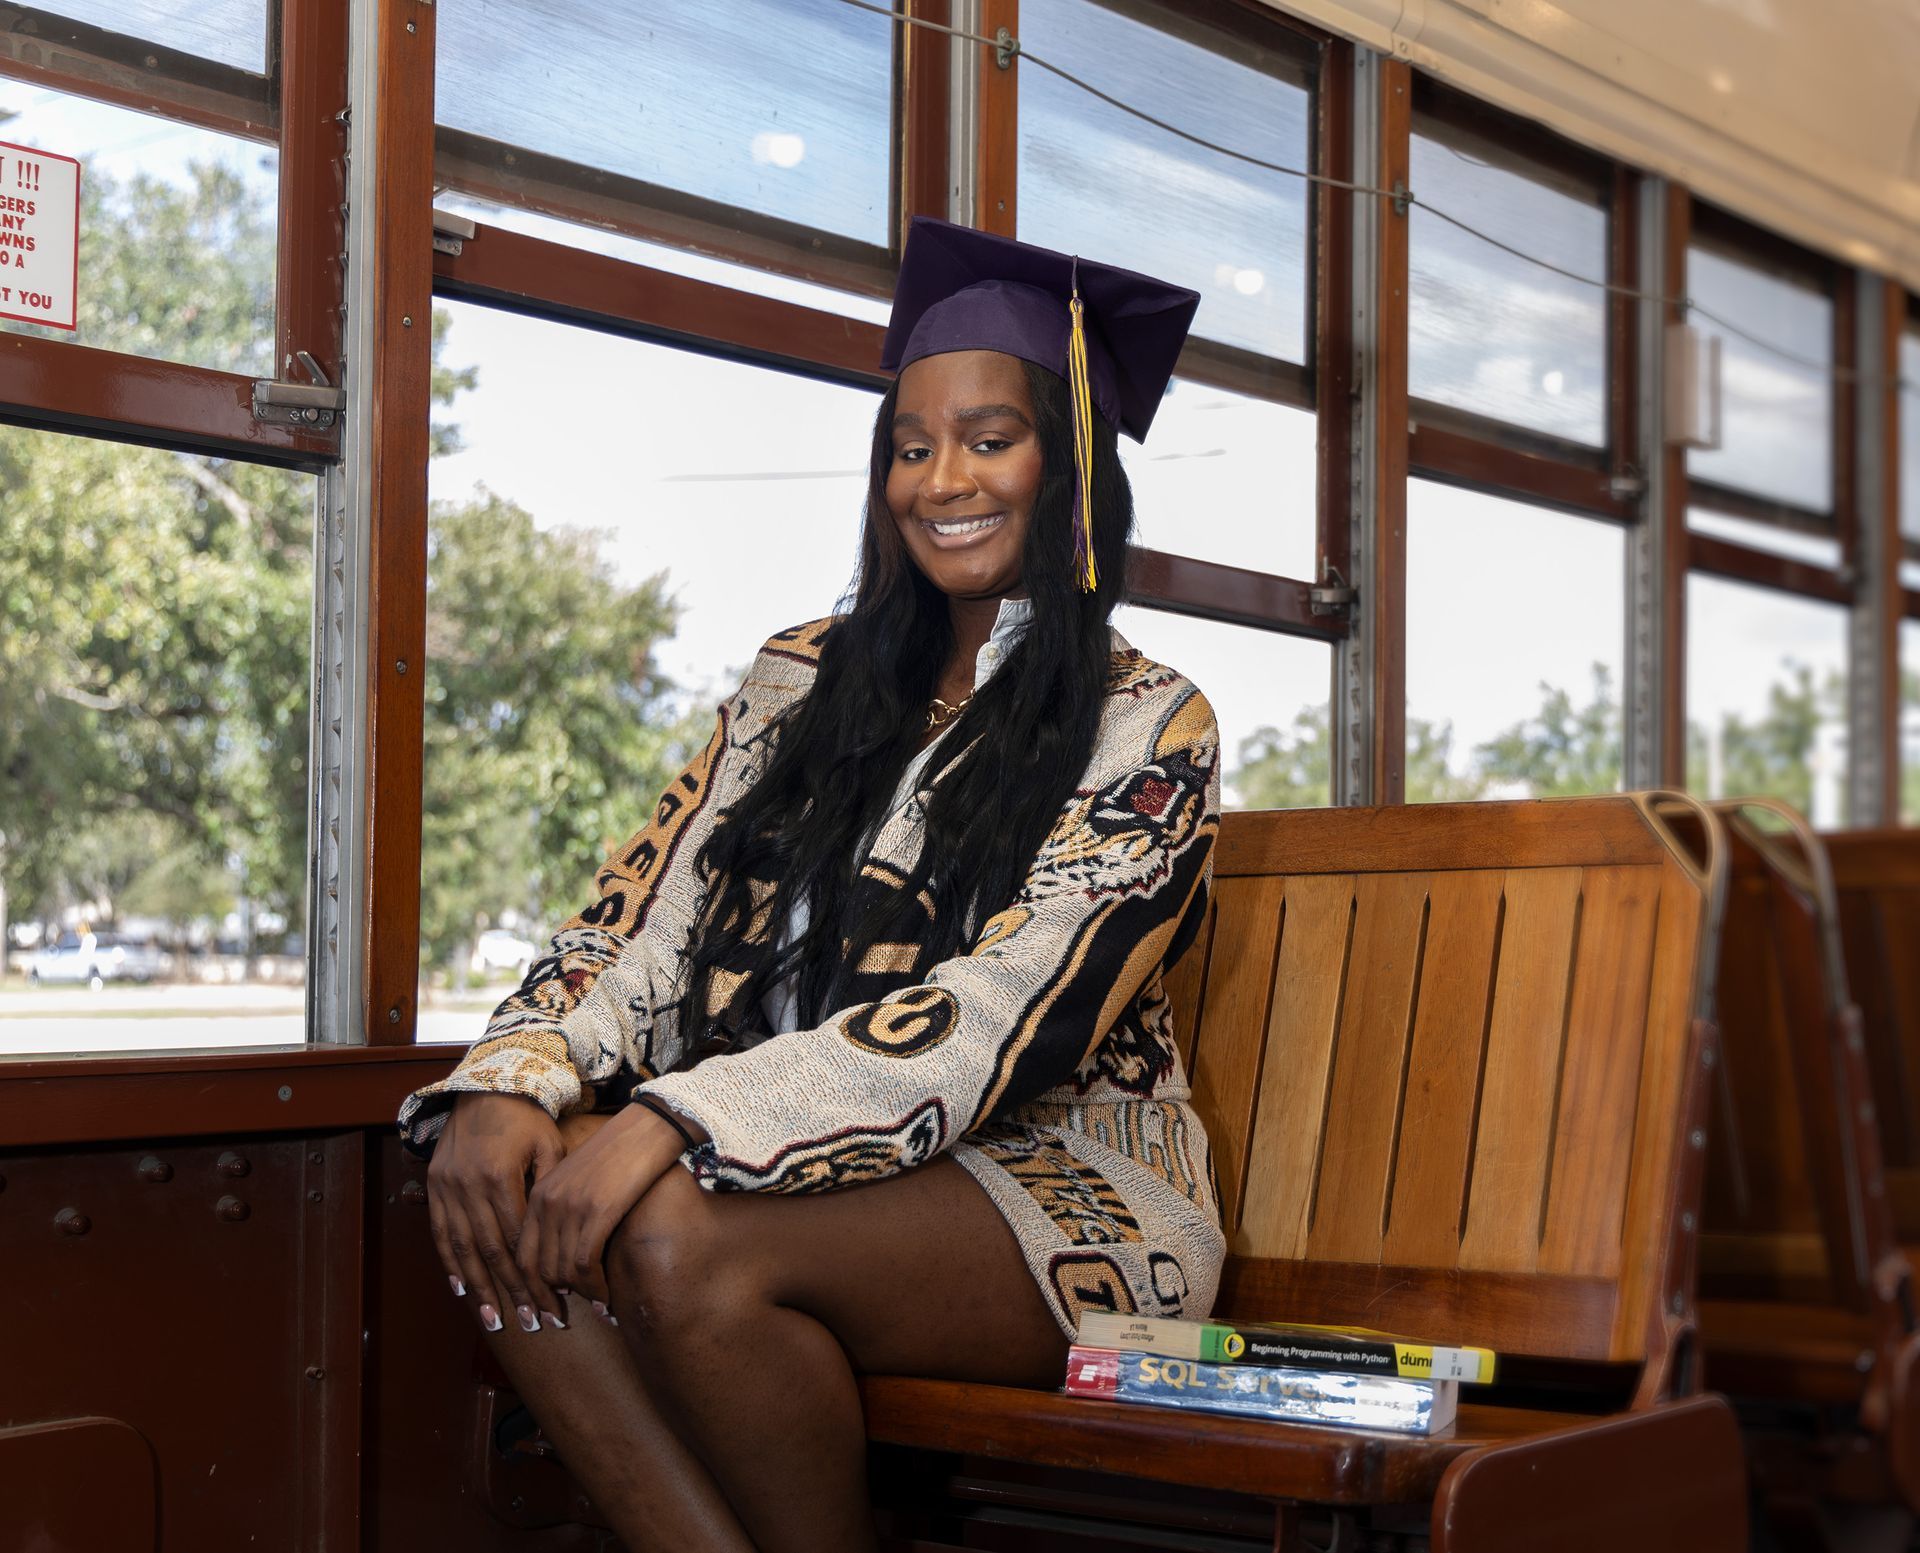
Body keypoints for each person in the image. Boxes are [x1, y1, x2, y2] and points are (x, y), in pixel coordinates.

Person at [397, 217, 1225, 1553]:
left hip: (1063, 1190)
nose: (941, 475)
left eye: (990, 437)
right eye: (910, 445)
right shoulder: (795, 681)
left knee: (673, 1237)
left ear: (1067, 469)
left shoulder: (1151, 725)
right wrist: (508, 1077)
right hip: (781, 1175)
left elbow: (1000, 1015)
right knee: (498, 1181)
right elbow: (641, 926)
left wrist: (675, 1116)